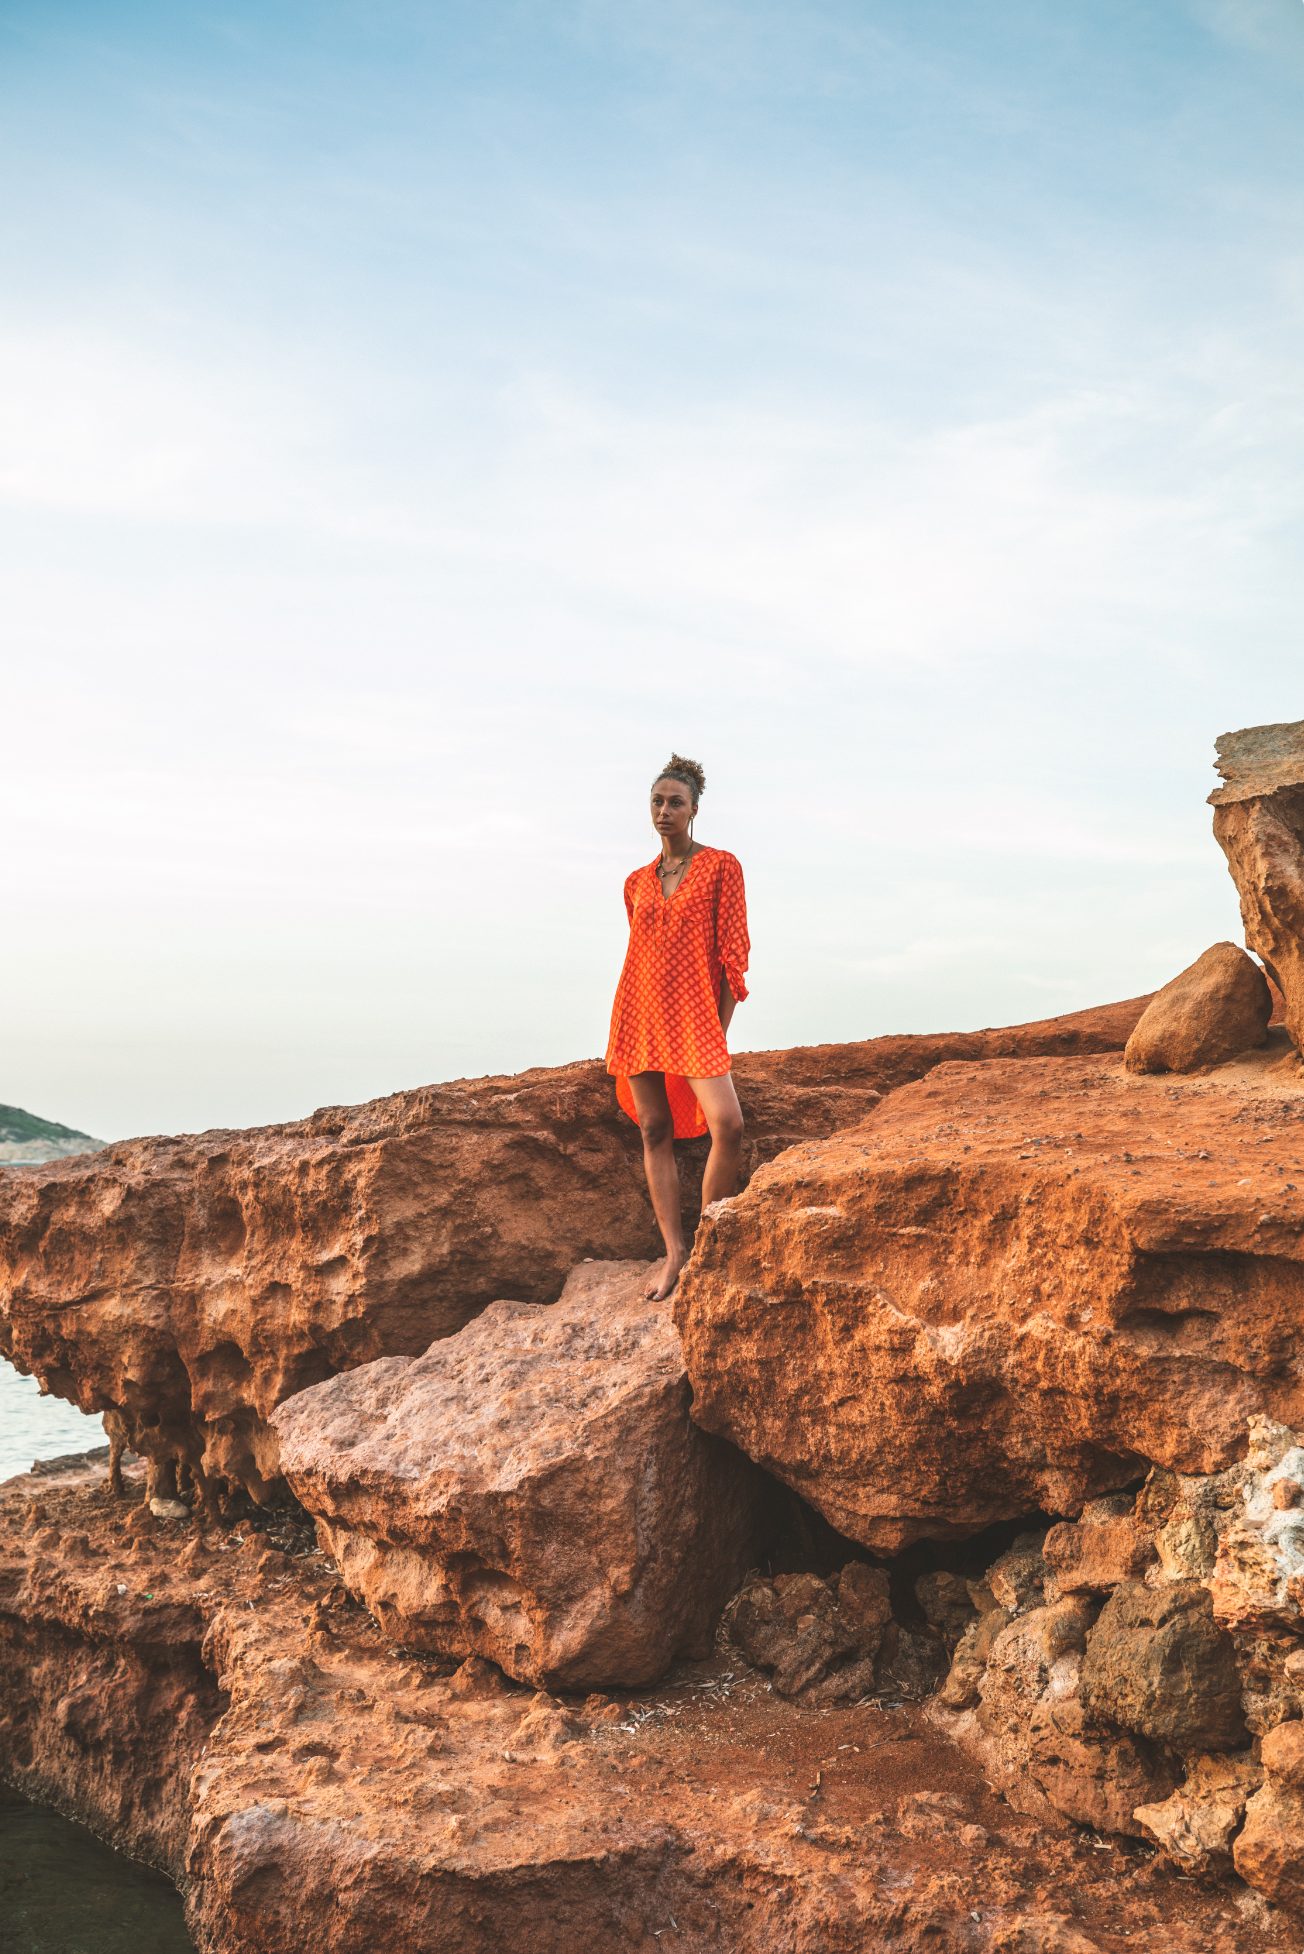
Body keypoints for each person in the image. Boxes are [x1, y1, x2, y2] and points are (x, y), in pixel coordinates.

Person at [606, 754, 750, 1300]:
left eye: (675, 803)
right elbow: (641, 953)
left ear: (694, 810)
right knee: (653, 1128)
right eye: (657, 802)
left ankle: (710, 1245)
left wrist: (719, 1029)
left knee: (728, 1125)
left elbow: (731, 955)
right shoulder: (635, 883)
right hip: (638, 1013)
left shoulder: (721, 867)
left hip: (694, 1019)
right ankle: (675, 1253)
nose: (664, 811)